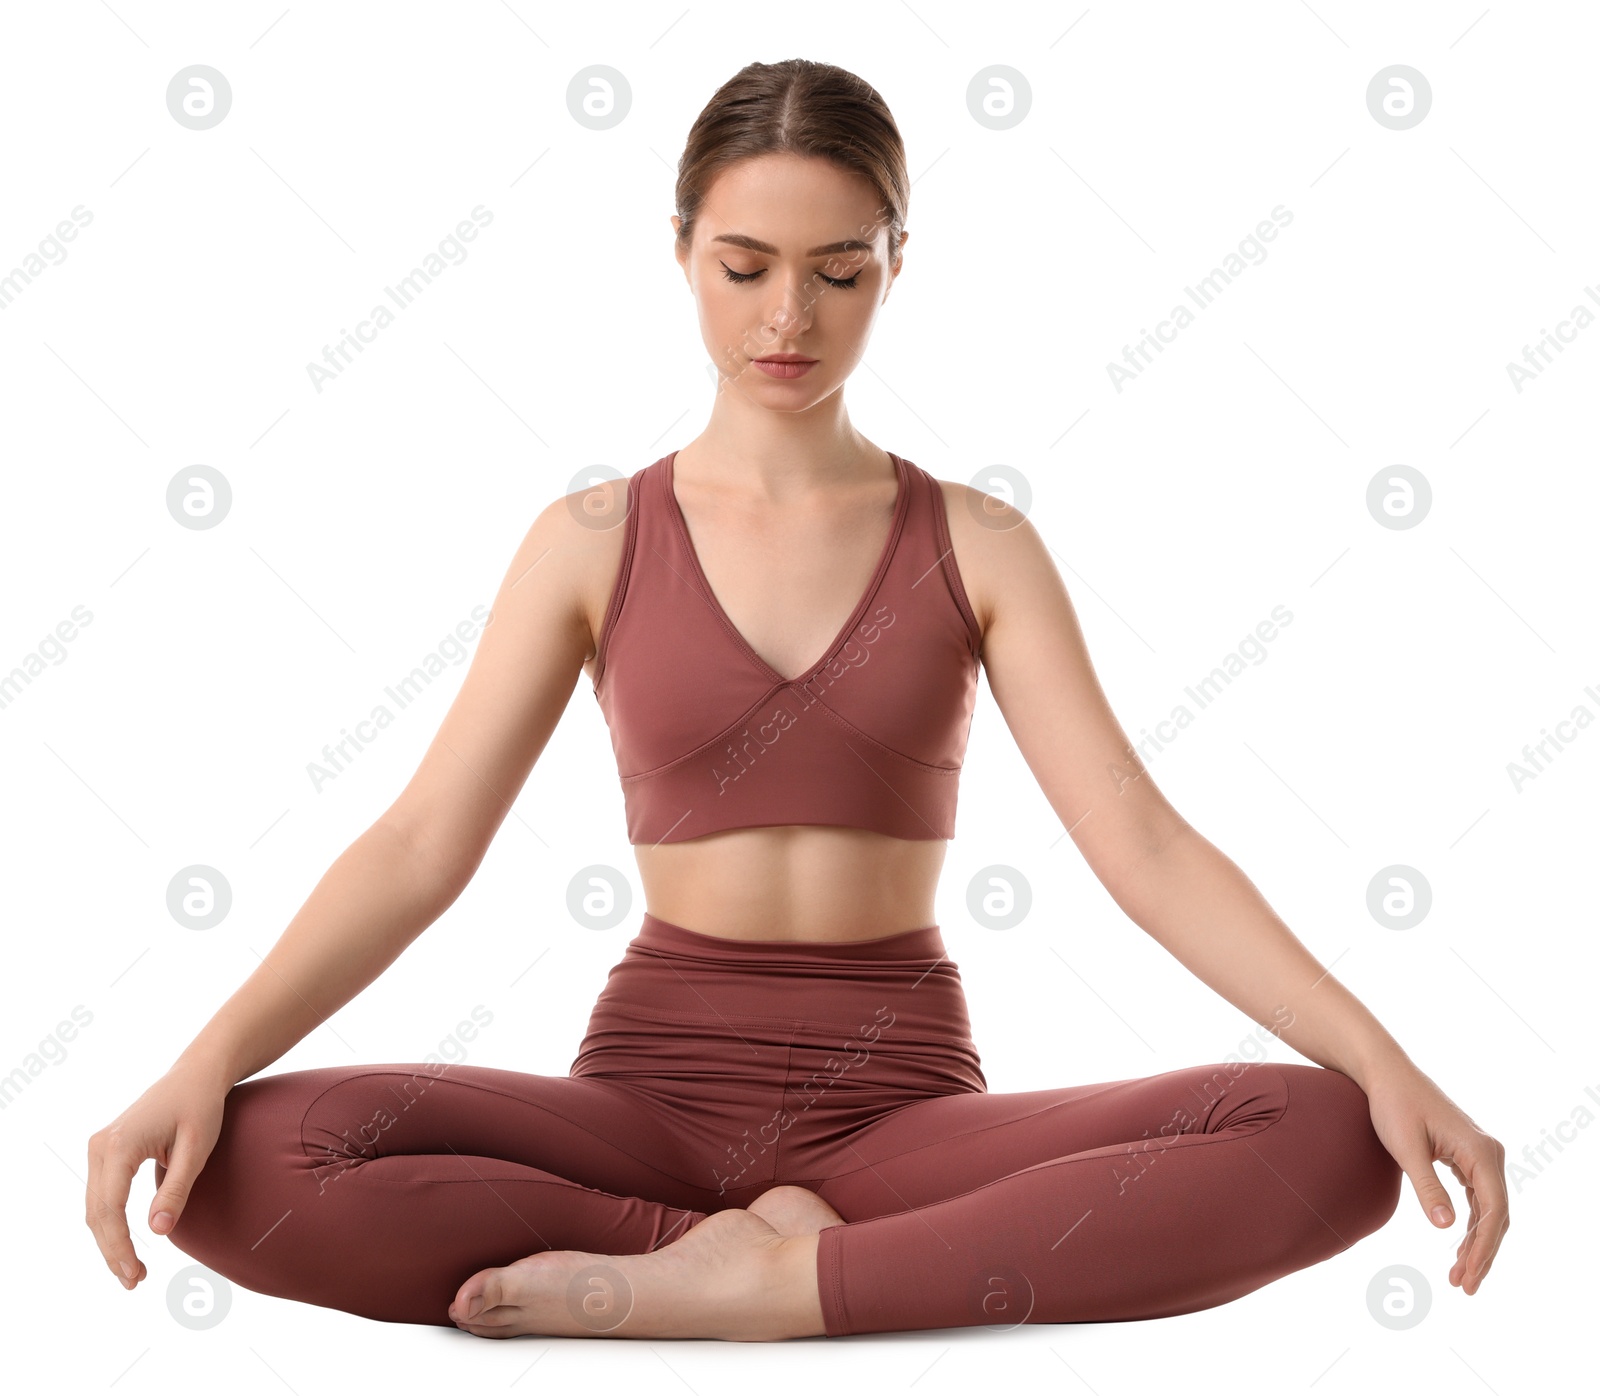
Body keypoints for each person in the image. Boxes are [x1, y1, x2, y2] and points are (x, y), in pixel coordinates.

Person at [85, 58, 1509, 1340]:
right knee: (230, 1167)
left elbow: (1143, 847)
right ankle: (709, 1259)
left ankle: (783, 1283)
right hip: (641, 1102)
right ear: (681, 253)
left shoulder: (976, 542)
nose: (787, 317)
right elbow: (418, 847)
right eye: (744, 265)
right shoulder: (589, 539)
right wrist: (202, 1058)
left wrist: (1386, 1061)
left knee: (1326, 1139)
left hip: (901, 1117)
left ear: (899, 262)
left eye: (839, 272)